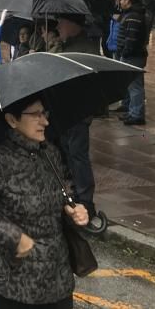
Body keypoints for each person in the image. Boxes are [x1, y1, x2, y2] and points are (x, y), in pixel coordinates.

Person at [0, 95, 89, 308]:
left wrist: (72, 208)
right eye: (35, 115)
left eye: (45, 113)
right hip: (12, 282)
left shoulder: (49, 152)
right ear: (12, 120)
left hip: (56, 276)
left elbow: (63, 190)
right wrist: (12, 236)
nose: (45, 121)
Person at [53, 14, 105, 232]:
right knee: (69, 154)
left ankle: (86, 203)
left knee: (77, 156)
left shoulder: (83, 48)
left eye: (61, 22)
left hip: (76, 113)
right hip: (67, 112)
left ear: (72, 24)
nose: (57, 26)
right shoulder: (70, 45)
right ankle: (75, 197)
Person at [115, 0, 149, 126]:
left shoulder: (134, 16)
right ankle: (132, 111)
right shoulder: (131, 14)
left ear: (128, 0)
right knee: (132, 85)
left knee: (135, 86)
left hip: (132, 57)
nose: (120, 1)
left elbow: (131, 39)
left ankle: (137, 115)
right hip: (132, 56)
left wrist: (124, 53)